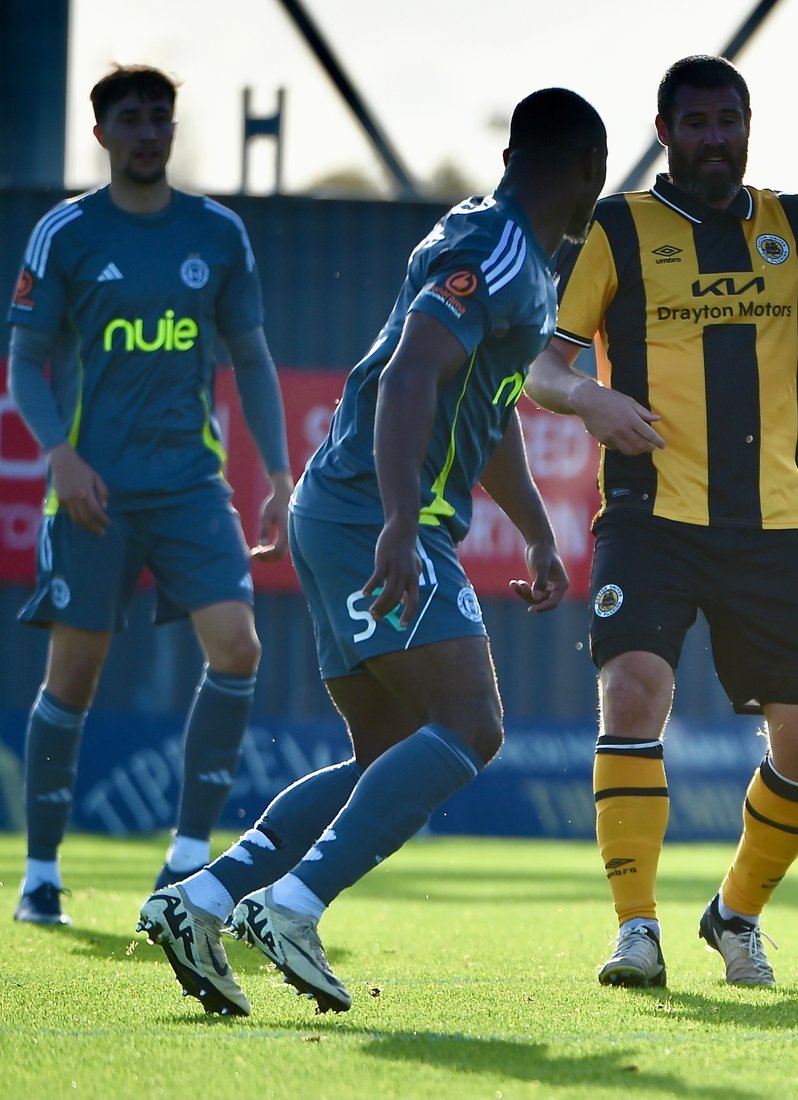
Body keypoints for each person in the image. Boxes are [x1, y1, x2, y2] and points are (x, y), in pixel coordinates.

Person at [134, 88, 607, 1016]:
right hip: (369, 515)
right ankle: (296, 905)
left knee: (388, 747)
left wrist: (540, 530)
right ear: (589, 173)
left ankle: (204, 898)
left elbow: (486, 402)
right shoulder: (497, 249)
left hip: (347, 508)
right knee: (472, 726)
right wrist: (398, 519)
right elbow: (408, 372)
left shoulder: (505, 246)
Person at [522, 55, 798, 990]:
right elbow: (542, 368)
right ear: (666, 130)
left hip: (769, 525)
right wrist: (592, 401)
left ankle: (734, 914)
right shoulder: (619, 228)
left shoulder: (797, 223)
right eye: (697, 123)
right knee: (632, 693)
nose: (715, 138)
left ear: (748, 124)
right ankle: (636, 931)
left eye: (729, 120)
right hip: (650, 513)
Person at [8, 65, 292, 926]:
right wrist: (58, 455)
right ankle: (41, 874)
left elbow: (250, 356)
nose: (147, 132)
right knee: (75, 678)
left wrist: (280, 474)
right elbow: (26, 360)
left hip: (191, 488)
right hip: (94, 491)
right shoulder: (65, 234)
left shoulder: (217, 232)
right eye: (130, 119)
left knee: (237, 647)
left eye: (159, 118)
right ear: (101, 135)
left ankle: (187, 859)